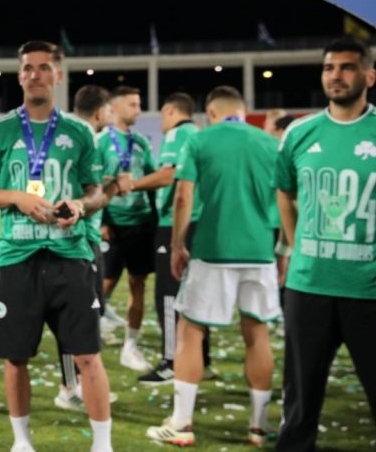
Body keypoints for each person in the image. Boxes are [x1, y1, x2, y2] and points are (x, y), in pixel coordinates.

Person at [0, 41, 113, 452]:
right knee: (16, 357)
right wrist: (17, 197)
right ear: (20, 75)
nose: (36, 74)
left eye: (44, 67)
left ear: (58, 75)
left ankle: (103, 445)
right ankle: (22, 442)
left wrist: (81, 206)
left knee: (88, 355)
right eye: (28, 68)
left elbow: (97, 190)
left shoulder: (79, 131)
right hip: (17, 258)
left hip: (71, 255)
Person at [146, 85, 280, 447]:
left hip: (212, 249)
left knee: (191, 330)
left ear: (211, 113)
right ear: (243, 110)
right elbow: (285, 198)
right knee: (257, 333)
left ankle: (182, 424)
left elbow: (183, 195)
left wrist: (177, 244)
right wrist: (284, 248)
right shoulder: (269, 143)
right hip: (260, 250)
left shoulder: (200, 141)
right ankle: (259, 425)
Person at [275, 37, 376, 452]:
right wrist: (294, 243)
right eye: (328, 68)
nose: (335, 75)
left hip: (370, 291)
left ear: (369, 76)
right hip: (308, 287)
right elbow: (284, 190)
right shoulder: (300, 132)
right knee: (299, 406)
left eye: (346, 67)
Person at [119, 93, 212, 385]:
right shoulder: (198, 134)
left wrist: (132, 185)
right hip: (200, 223)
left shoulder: (176, 134)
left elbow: (170, 174)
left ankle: (171, 361)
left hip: (176, 223)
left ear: (170, 110)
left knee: (168, 294)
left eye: (161, 114)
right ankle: (202, 360)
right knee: (195, 294)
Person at [52, 83, 125, 414]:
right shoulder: (88, 140)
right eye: (109, 109)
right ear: (100, 112)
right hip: (79, 239)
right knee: (75, 317)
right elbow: (89, 200)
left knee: (83, 317)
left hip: (82, 237)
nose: (112, 114)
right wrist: (114, 187)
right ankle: (70, 387)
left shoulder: (68, 135)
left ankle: (78, 384)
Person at [96, 86, 157, 373]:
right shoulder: (100, 142)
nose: (138, 110)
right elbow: (92, 184)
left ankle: (130, 346)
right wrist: (103, 220)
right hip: (113, 224)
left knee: (138, 283)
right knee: (105, 283)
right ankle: (93, 329)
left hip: (141, 222)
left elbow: (153, 179)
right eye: (133, 105)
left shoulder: (141, 142)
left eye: (139, 104)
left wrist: (155, 219)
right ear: (116, 107)